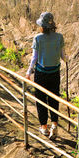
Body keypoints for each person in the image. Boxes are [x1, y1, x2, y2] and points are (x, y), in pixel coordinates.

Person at [25, 11, 64, 139]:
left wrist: (28, 72)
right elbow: (63, 56)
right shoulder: (59, 37)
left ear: (42, 25)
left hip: (41, 74)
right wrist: (67, 59)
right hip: (55, 73)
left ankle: (44, 127)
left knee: (41, 100)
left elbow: (34, 58)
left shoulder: (38, 38)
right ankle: (54, 125)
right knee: (54, 98)